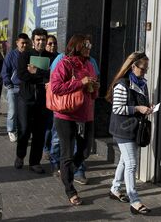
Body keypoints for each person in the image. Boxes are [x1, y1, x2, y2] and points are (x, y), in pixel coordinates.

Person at [50, 34, 99, 206]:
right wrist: (80, 82)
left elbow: (93, 92)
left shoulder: (90, 64)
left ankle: (66, 174)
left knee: (85, 151)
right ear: (76, 45)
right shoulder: (65, 63)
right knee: (67, 154)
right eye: (85, 44)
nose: (88, 47)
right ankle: (70, 189)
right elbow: (55, 87)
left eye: (90, 45)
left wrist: (94, 88)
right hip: (66, 115)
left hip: (86, 115)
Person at [106, 52, 153, 215]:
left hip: (134, 128)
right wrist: (138, 108)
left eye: (146, 69)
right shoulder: (122, 84)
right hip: (123, 129)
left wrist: (147, 106)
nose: (145, 72)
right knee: (132, 163)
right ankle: (135, 201)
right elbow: (117, 108)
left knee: (125, 162)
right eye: (142, 68)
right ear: (133, 66)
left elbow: (139, 103)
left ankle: (115, 189)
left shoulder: (142, 83)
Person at [14, 28, 56, 174]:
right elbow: (22, 75)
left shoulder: (51, 57)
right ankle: (20, 155)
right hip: (26, 98)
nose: (41, 42)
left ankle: (35, 162)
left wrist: (36, 72)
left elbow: (52, 75)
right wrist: (40, 76)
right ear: (33, 40)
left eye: (43, 40)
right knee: (24, 129)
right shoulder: (24, 55)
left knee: (39, 132)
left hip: (43, 100)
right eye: (38, 39)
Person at [0, 33, 30, 142]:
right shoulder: (11, 55)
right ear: (17, 43)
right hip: (13, 87)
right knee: (12, 111)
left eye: (26, 43)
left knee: (23, 112)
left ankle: (21, 131)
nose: (24, 45)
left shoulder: (29, 55)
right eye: (22, 43)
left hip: (25, 88)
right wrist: (8, 83)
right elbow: (4, 71)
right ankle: (11, 130)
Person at [43, 34, 59, 159]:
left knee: (51, 123)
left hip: (55, 96)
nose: (52, 46)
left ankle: (49, 148)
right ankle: (45, 148)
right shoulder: (41, 56)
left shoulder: (60, 58)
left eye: (54, 43)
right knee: (46, 124)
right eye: (50, 43)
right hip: (42, 95)